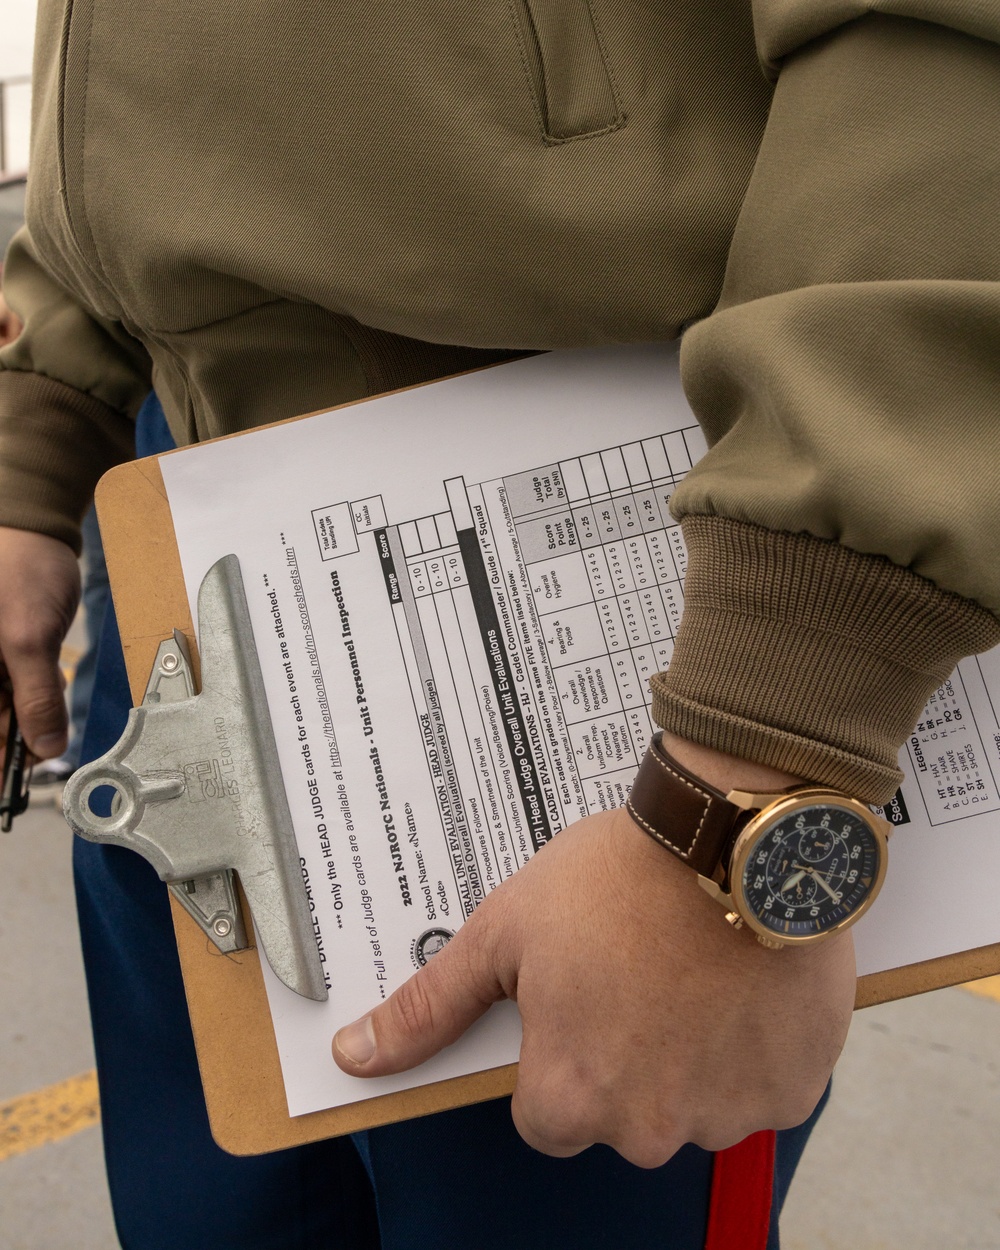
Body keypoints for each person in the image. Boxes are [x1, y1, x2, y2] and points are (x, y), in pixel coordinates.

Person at [2, 5, 999, 1248]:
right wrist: (43, 423)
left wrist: (744, 781)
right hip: (186, 529)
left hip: (620, 597)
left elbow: (939, 52)